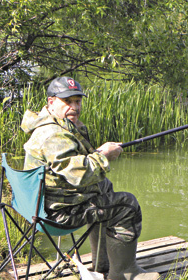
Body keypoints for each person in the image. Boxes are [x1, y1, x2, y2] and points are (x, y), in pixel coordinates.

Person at [21, 76, 159, 280]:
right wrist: (104, 156)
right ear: (51, 102)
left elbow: (71, 164)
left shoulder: (53, 124)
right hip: (59, 214)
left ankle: (101, 264)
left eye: (77, 101)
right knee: (128, 204)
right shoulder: (54, 135)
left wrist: (97, 152)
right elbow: (78, 176)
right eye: (68, 101)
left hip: (40, 206)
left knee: (103, 186)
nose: (75, 107)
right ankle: (123, 273)